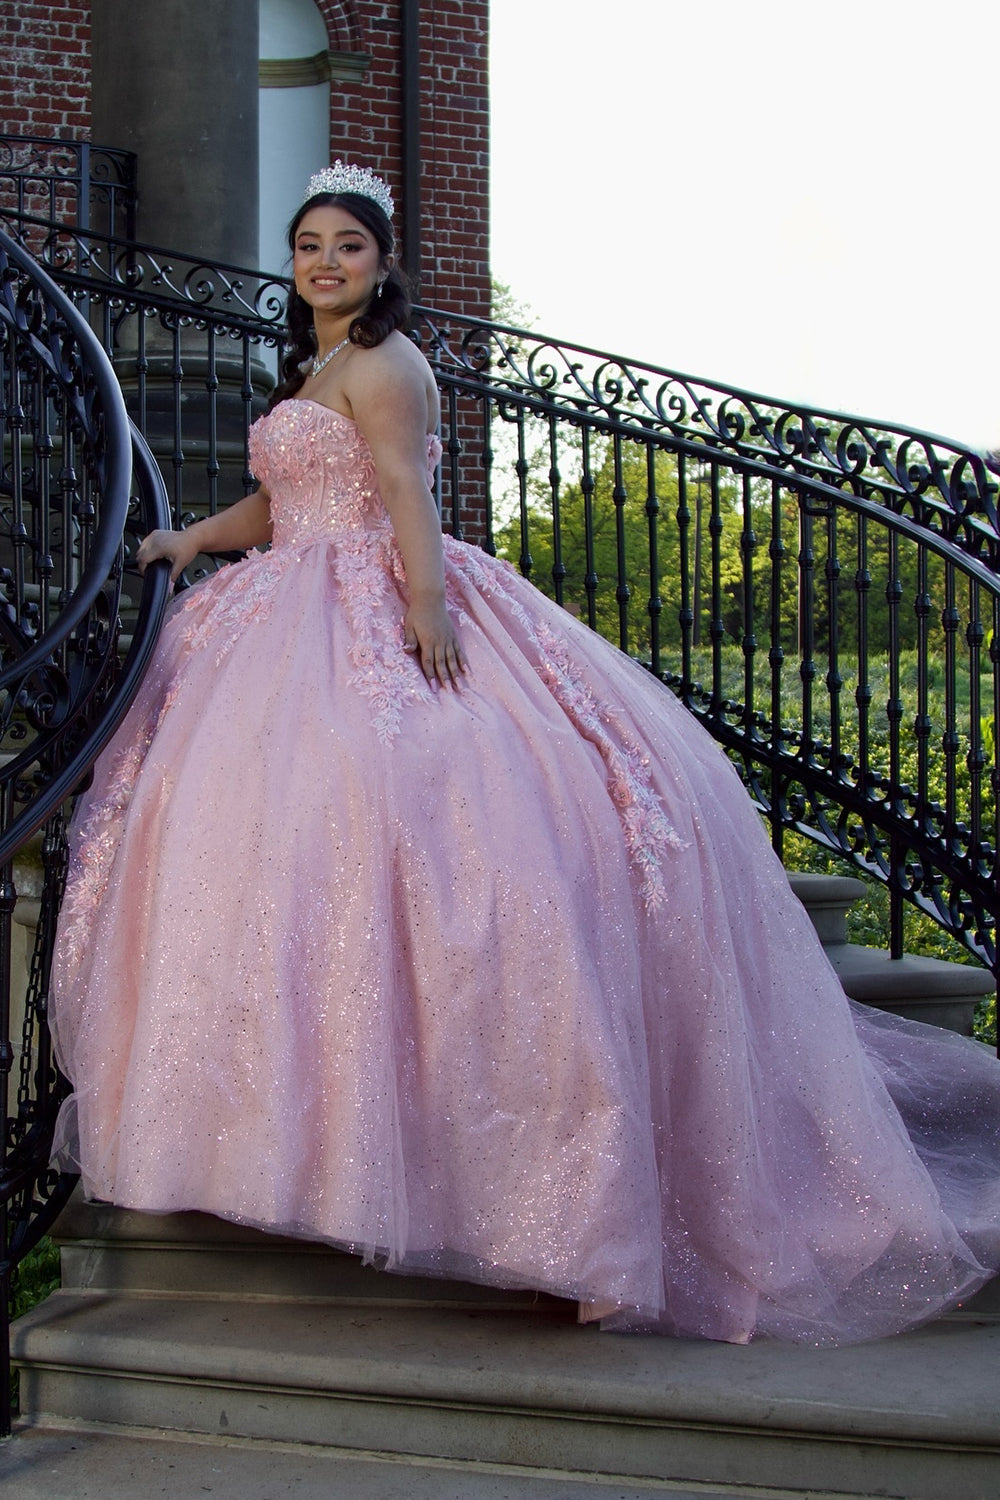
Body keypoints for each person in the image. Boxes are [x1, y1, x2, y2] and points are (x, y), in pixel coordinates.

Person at [49, 163, 1000, 1346]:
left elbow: (399, 492)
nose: (325, 262)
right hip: (281, 600)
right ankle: (261, 1133)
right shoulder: (314, 368)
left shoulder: (388, 364)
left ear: (382, 263)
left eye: (347, 245)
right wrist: (192, 535)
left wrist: (426, 611)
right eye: (308, 246)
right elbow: (279, 505)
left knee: (410, 800)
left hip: (382, 594)